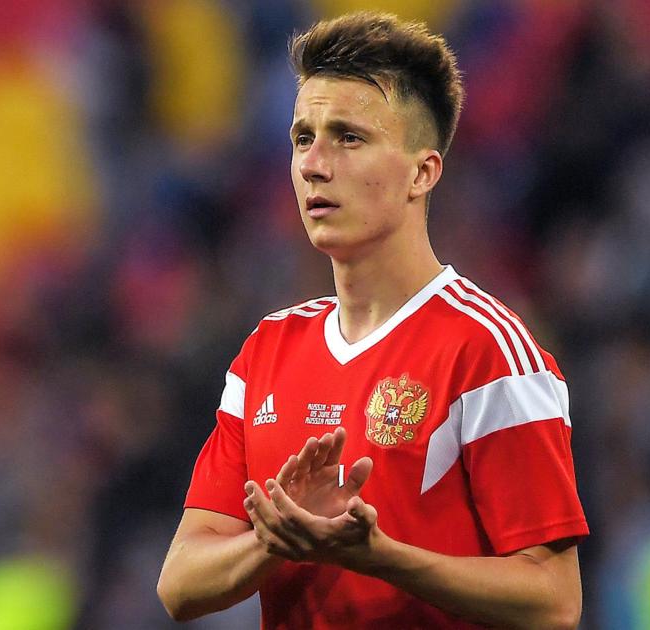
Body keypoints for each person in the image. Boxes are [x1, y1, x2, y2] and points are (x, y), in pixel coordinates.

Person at [157, 12, 587, 629]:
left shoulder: (488, 351)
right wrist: (276, 539)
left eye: (348, 138)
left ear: (422, 172)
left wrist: (383, 557)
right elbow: (179, 585)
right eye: (302, 138)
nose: (314, 164)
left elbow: (554, 602)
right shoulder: (268, 349)